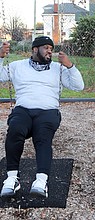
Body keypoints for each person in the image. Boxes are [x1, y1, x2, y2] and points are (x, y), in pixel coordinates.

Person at [0, 36, 84, 198]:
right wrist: (0, 56)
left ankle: (41, 180)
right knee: (15, 130)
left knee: (43, 137)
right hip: (23, 109)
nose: (50, 51)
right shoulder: (18, 66)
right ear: (34, 49)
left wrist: (70, 66)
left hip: (48, 111)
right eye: (46, 47)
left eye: (51, 48)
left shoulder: (57, 68)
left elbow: (78, 86)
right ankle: (12, 178)